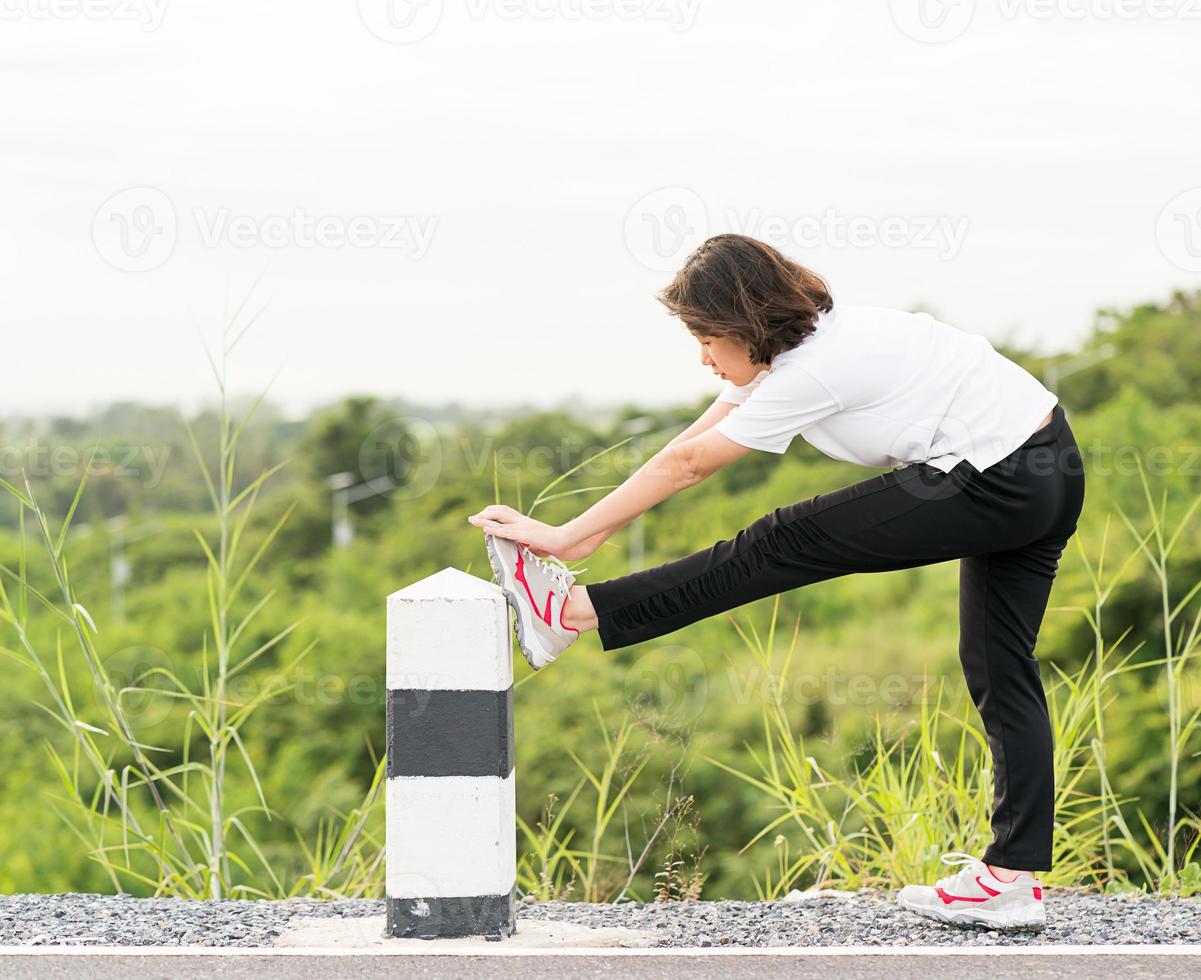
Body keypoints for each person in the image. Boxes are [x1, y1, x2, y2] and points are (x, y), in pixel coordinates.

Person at [469, 233, 1085, 930]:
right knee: (1000, 667)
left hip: (997, 477)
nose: (701, 358)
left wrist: (561, 543)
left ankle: (571, 613)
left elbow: (693, 465)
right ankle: (1012, 876)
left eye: (705, 339)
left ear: (743, 326)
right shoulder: (809, 342)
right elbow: (683, 449)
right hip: (1049, 465)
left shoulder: (816, 367)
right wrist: (578, 534)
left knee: (781, 540)